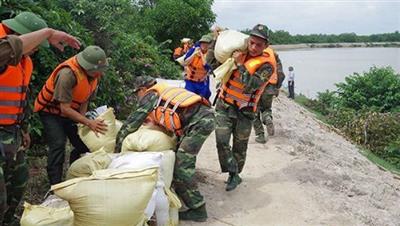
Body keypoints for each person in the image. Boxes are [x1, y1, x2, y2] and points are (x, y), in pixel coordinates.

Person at [0, 11, 79, 225]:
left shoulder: (24, 61)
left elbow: (21, 97)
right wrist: (48, 32)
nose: (35, 50)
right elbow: (8, 48)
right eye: (36, 43)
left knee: (18, 182)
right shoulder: (4, 50)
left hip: (11, 133)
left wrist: (23, 128)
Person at [115, 76, 215, 222]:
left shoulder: (150, 96)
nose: (138, 97)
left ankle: (199, 209)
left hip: (200, 122)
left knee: (182, 166)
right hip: (200, 118)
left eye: (137, 93)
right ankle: (184, 192)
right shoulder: (163, 90)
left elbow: (130, 124)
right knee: (177, 158)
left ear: (143, 89)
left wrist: (117, 151)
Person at [215, 24, 280, 191]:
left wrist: (240, 64)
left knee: (239, 146)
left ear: (266, 46)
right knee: (221, 141)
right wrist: (217, 39)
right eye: (251, 42)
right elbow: (213, 62)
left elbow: (251, 85)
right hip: (224, 104)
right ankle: (232, 170)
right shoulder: (237, 51)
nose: (254, 47)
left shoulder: (267, 66)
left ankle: (234, 176)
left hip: (245, 111)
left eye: (259, 45)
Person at [33, 45, 108, 185]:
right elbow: (64, 108)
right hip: (52, 112)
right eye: (97, 71)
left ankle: (75, 173)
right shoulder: (67, 75)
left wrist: (82, 123)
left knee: (83, 142)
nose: (100, 74)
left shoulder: (94, 76)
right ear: (87, 67)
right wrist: (88, 122)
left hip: (71, 111)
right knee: (58, 144)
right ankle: (55, 185)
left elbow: (85, 99)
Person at [253, 50, 285, 144]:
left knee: (254, 112)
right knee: (266, 108)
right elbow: (281, 74)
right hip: (270, 88)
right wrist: (277, 87)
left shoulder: (253, 52)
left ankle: (260, 136)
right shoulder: (273, 55)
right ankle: (267, 118)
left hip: (255, 88)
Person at [183, 34, 213, 100]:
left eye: (206, 43)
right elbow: (185, 62)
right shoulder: (193, 50)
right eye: (203, 43)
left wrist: (201, 54)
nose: (204, 45)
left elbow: (206, 65)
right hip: (190, 81)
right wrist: (194, 54)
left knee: (204, 98)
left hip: (202, 83)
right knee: (187, 99)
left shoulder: (210, 53)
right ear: (200, 43)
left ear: (210, 45)